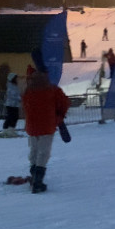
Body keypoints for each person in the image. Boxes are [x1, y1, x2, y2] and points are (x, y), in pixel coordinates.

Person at [22, 53, 70, 193]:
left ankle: (34, 175)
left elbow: (25, 105)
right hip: (47, 125)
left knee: (34, 150)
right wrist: (59, 116)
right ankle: (38, 182)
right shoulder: (52, 89)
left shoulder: (28, 89)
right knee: (43, 152)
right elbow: (65, 102)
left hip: (32, 126)